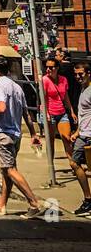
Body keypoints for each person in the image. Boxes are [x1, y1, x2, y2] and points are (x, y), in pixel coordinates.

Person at [0, 56, 43, 218]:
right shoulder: (16, 87)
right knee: (6, 170)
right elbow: (26, 112)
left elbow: (1, 108)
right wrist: (33, 133)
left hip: (4, 133)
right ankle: (1, 204)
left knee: (9, 169)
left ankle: (33, 202)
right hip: (17, 134)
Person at [42, 54, 76, 167]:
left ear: (57, 68)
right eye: (46, 67)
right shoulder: (45, 80)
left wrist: (71, 111)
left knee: (67, 138)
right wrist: (46, 113)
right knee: (50, 140)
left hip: (62, 112)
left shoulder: (63, 80)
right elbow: (44, 98)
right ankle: (51, 167)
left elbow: (65, 96)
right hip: (50, 113)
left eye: (51, 67)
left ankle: (73, 164)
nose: (48, 70)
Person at [68, 58, 91, 217]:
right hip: (83, 134)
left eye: (81, 74)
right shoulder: (83, 89)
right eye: (76, 74)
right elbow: (84, 114)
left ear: (89, 73)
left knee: (76, 163)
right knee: (74, 163)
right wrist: (77, 131)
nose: (78, 77)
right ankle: (88, 199)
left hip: (89, 135)